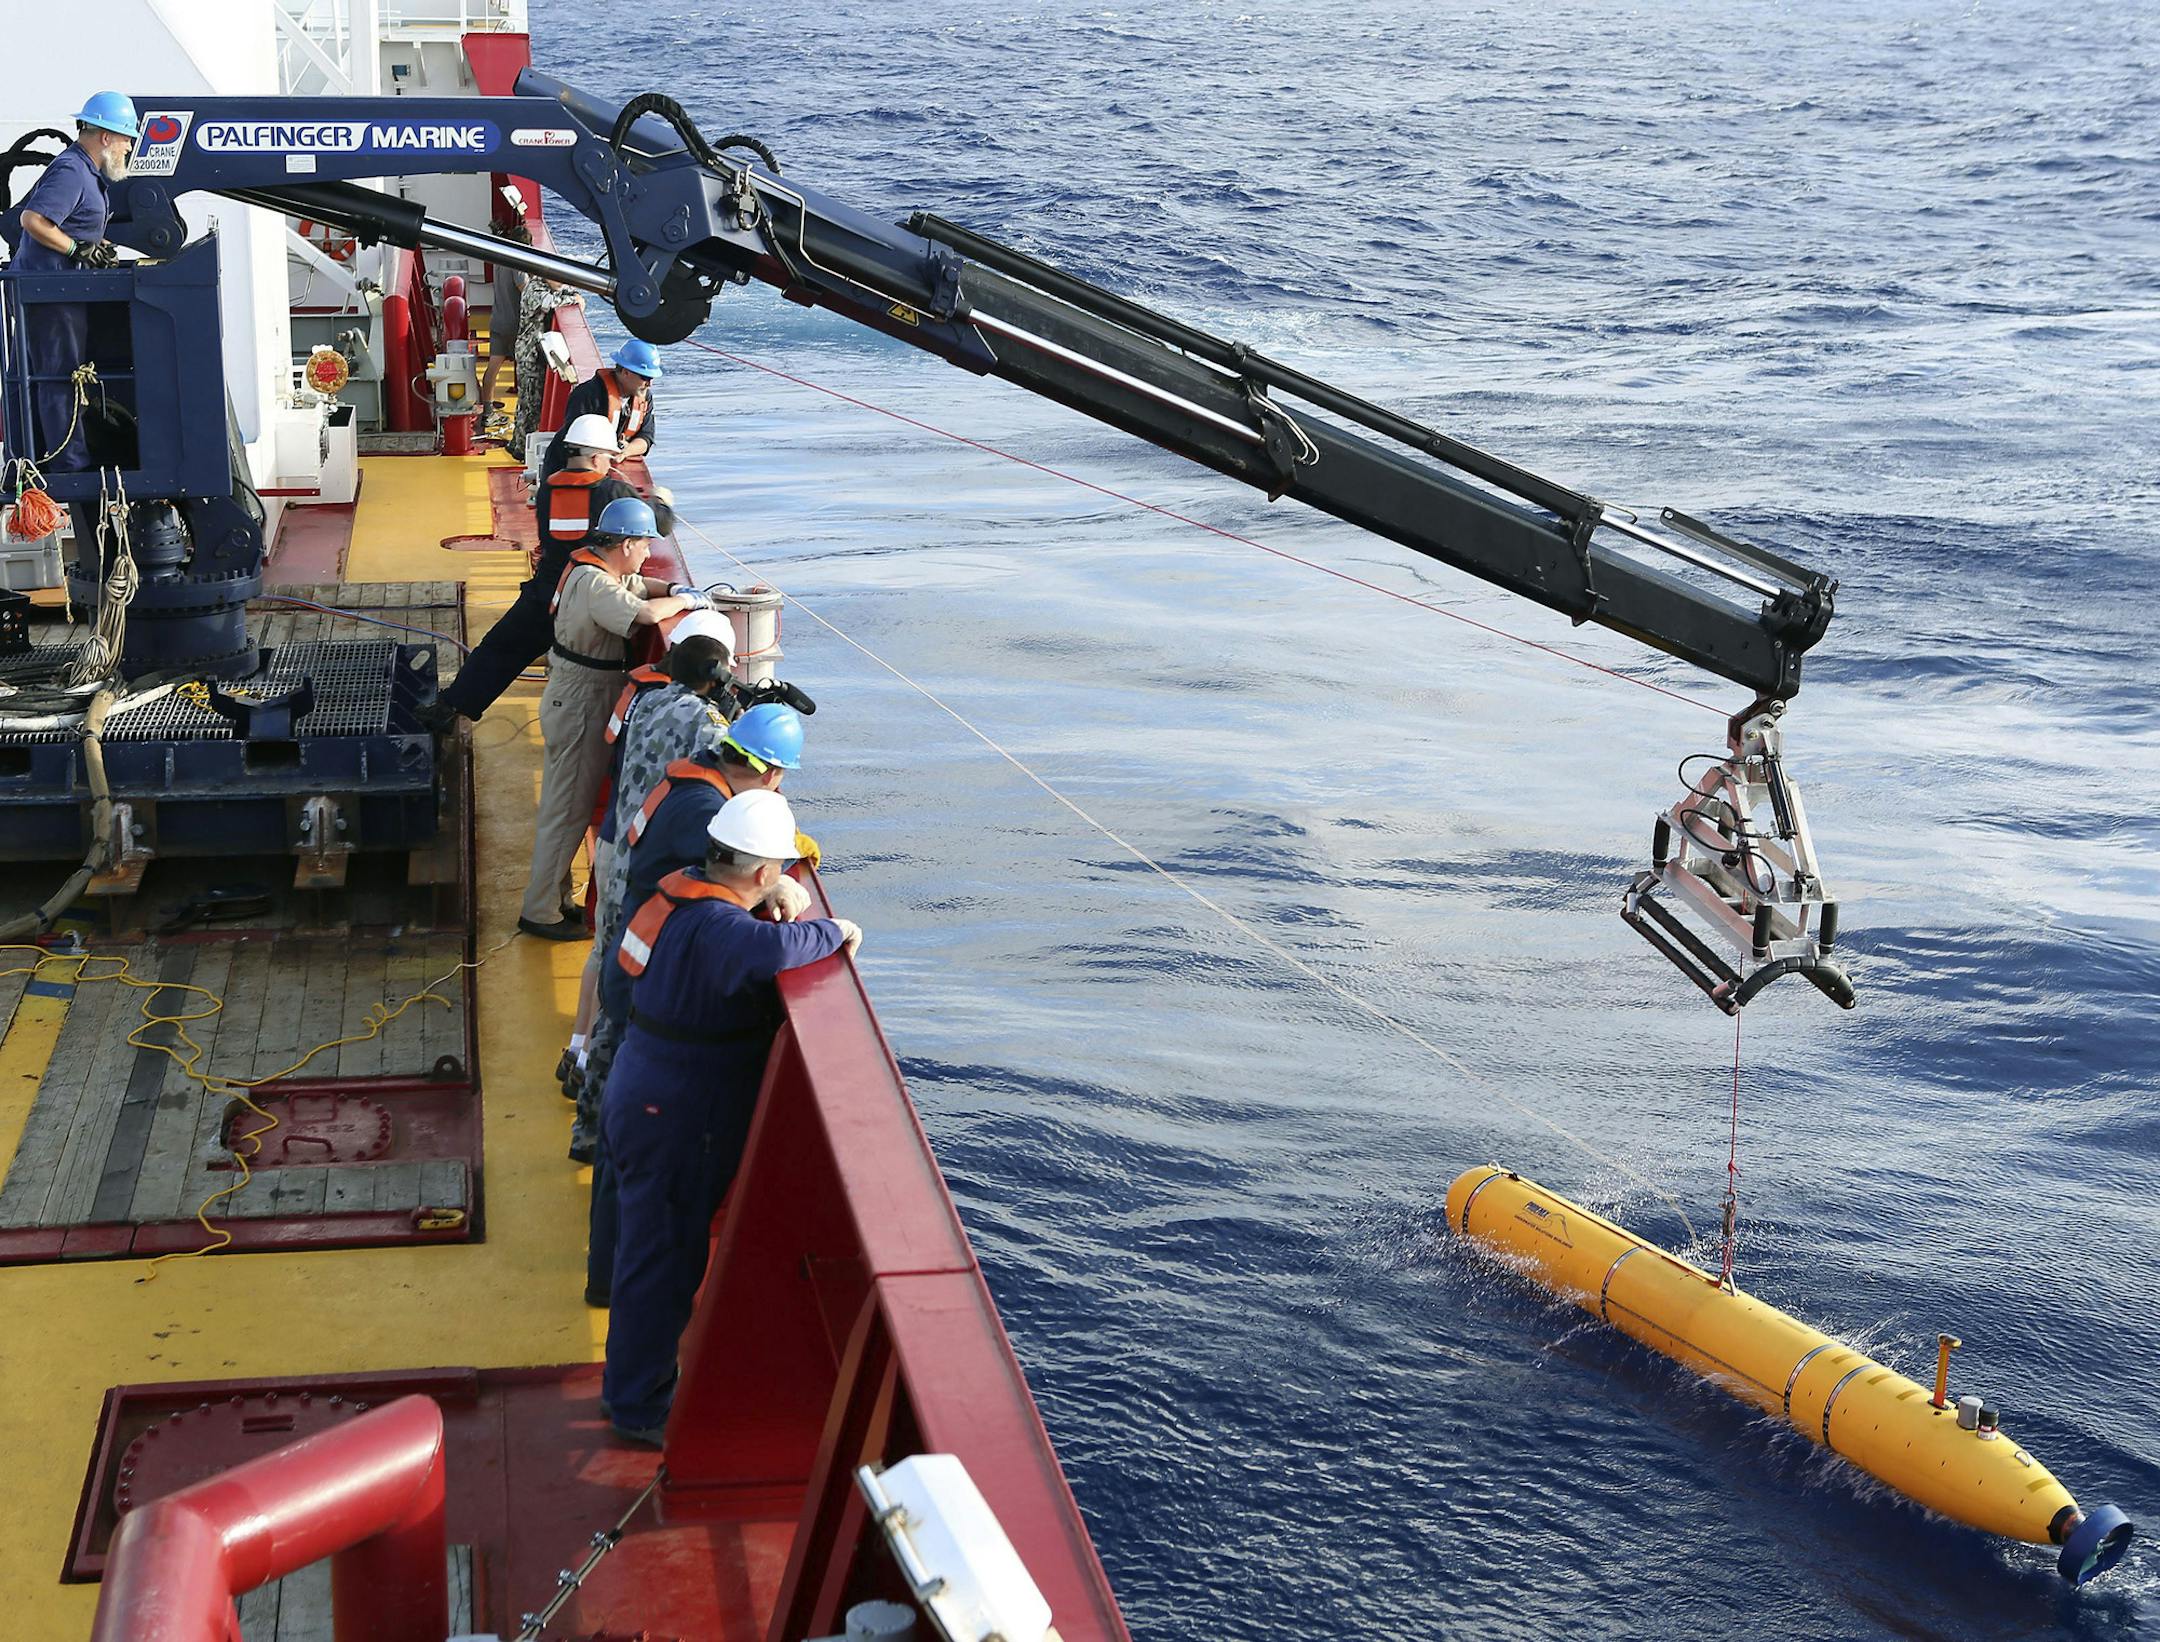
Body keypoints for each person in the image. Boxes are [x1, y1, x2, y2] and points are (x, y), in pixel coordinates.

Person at [599, 789, 860, 1443]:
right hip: (675, 1111)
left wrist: (769, 902)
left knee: (643, 1249)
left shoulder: (674, 891)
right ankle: (636, 1408)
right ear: (766, 872)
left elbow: (622, 980)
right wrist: (834, 930)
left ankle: (633, 1388)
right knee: (662, 1262)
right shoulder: (726, 932)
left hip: (638, 1081)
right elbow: (772, 953)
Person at [582, 705, 817, 1292]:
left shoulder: (694, 784)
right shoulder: (705, 811)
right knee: (649, 1210)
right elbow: (756, 935)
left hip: (634, 967)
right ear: (771, 776)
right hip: (649, 1009)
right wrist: (802, 897)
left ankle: (604, 1275)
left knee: (619, 1153)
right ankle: (621, 1291)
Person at [423, 414, 695, 730]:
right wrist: (659, 501)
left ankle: (451, 707)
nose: (610, 463)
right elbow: (657, 524)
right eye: (608, 457)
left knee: (499, 648)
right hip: (588, 596)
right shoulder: (613, 493)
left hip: (546, 593)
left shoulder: (550, 489)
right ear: (595, 457)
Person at [518, 496, 704, 940]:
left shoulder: (598, 571)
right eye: (643, 545)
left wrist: (673, 590)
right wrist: (688, 604)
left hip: (583, 692)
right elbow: (641, 613)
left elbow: (642, 589)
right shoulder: (597, 585)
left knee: (568, 806)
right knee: (567, 810)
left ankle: (555, 899)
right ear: (624, 544)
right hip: (582, 698)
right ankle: (539, 910)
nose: (646, 554)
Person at [0, 94, 138, 472]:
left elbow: (70, 222)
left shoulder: (84, 172)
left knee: (33, 376)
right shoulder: (71, 171)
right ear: (106, 137)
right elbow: (34, 220)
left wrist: (97, 246)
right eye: (127, 138)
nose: (129, 146)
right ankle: (69, 465)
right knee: (60, 377)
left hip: (52, 291)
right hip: (51, 293)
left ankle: (25, 458)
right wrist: (78, 249)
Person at [537, 339, 662, 487]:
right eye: (645, 378)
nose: (650, 384)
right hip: (568, 471)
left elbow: (646, 437)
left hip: (602, 471)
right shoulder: (587, 395)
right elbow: (575, 443)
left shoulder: (644, 397)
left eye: (652, 378)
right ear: (626, 372)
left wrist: (625, 451)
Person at [509, 272, 582, 462]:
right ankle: (521, 449)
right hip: (529, 356)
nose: (561, 281)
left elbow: (564, 291)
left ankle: (519, 443)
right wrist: (574, 299)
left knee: (530, 403)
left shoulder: (550, 285)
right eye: (558, 277)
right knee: (530, 405)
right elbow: (549, 302)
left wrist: (572, 294)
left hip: (538, 355)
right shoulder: (534, 289)